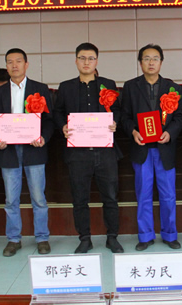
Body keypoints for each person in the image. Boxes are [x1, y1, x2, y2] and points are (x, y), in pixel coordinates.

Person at [52, 43, 123, 254]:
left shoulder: (108, 85)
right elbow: (57, 112)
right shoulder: (66, 87)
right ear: (76, 61)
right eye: (82, 58)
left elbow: (118, 110)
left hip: (105, 151)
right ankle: (84, 238)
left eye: (91, 58)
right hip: (77, 153)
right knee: (80, 199)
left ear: (96, 61)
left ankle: (112, 237)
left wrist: (115, 122)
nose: (86, 62)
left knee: (110, 197)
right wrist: (62, 126)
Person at [0, 48, 54, 257]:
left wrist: (43, 137)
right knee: (11, 199)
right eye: (10, 62)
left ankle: (42, 237)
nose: (14, 65)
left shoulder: (40, 89)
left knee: (38, 197)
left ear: (26, 64)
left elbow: (49, 121)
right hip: (8, 151)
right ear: (6, 66)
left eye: (18, 61)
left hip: (34, 150)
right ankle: (13, 239)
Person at [121, 44, 182, 251]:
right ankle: (145, 235)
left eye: (155, 58)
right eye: (146, 58)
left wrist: (170, 133)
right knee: (143, 193)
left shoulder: (173, 88)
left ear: (161, 62)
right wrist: (133, 131)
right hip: (141, 148)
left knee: (168, 194)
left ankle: (170, 234)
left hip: (165, 148)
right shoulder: (130, 87)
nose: (151, 62)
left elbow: (180, 117)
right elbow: (124, 116)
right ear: (140, 63)